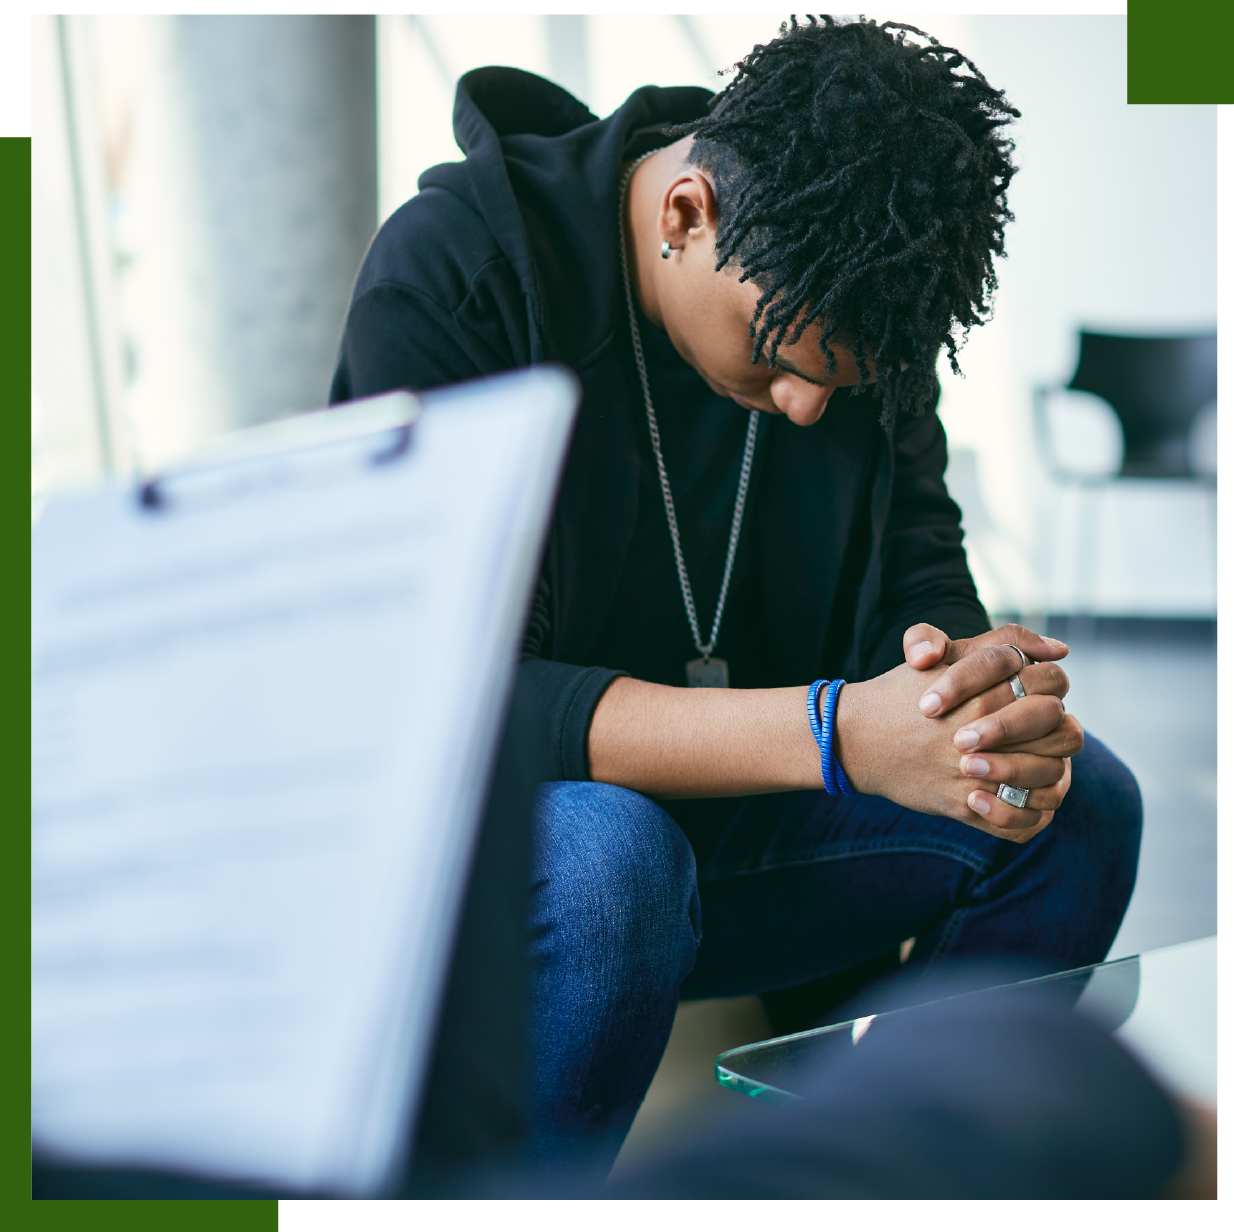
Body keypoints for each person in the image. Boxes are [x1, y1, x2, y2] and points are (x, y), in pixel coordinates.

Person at [330, 16, 1141, 1167]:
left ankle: (856, 1171)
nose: (810, 404)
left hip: (746, 836)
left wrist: (968, 690)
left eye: (842, 380)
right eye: (781, 358)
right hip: (521, 859)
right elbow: (436, 697)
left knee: (1077, 801)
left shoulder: (853, 291)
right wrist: (828, 735)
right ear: (683, 215)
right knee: (614, 861)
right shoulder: (460, 273)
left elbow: (913, 551)